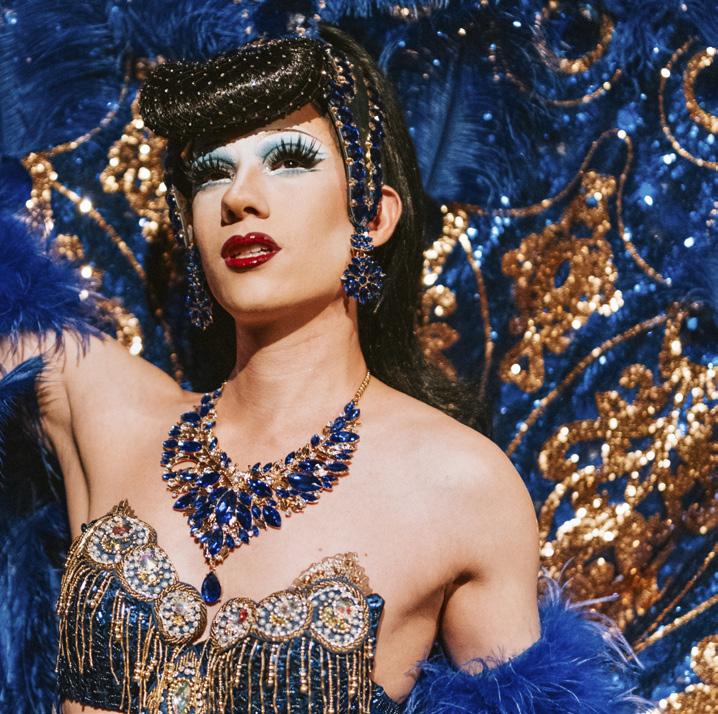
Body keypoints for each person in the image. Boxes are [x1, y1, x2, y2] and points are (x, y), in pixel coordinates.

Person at [0, 24, 647, 714]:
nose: (239, 198)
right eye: (212, 172)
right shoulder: (106, 410)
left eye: (288, 159)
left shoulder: (459, 486)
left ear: (371, 216)